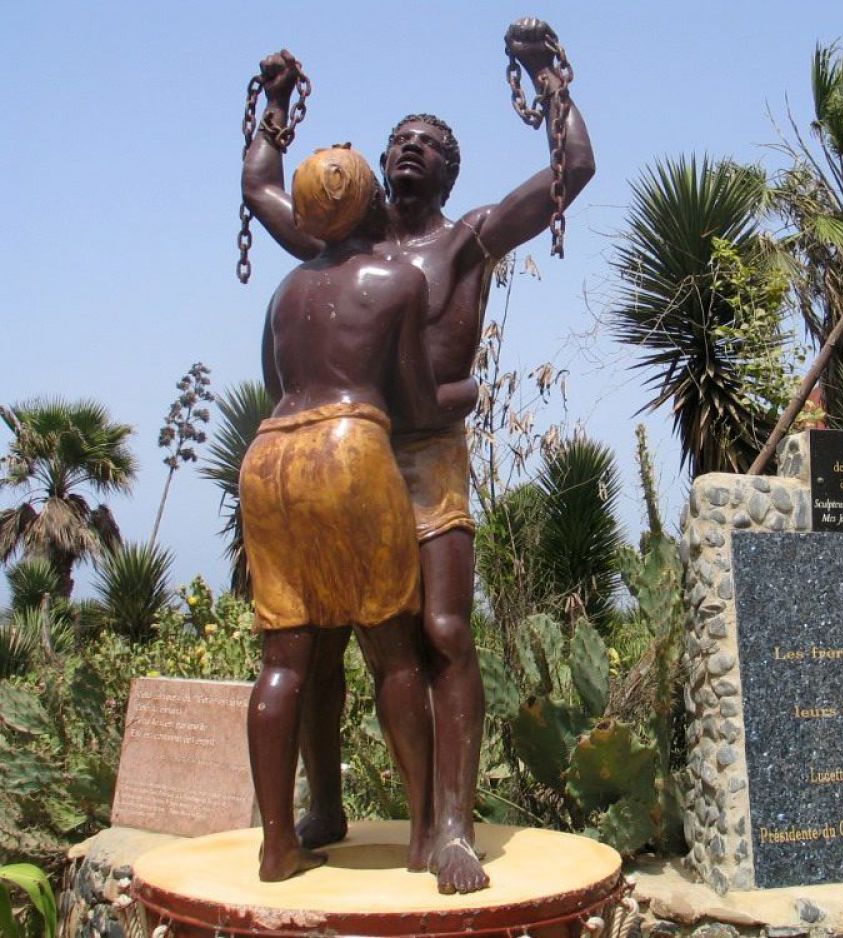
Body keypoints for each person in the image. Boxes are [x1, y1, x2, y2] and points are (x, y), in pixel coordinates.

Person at [241, 18, 595, 896]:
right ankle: (321, 808)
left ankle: (450, 825)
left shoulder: (464, 239)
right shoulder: (341, 238)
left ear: (448, 171)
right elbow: (260, 191)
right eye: (399, 138)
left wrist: (549, 80)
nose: (409, 148)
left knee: (441, 632)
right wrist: (277, 107)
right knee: (315, 637)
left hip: (424, 458)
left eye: (428, 144)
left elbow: (571, 172)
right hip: (339, 456)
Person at [243, 145, 463, 882]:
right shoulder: (396, 280)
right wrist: (462, 397)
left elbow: (276, 381)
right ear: (369, 203)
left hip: (270, 458)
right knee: (395, 651)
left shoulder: (283, 294)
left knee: (285, 659)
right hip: (349, 450)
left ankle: (278, 845)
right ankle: (425, 832)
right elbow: (413, 401)